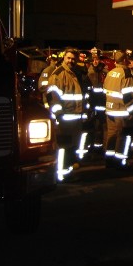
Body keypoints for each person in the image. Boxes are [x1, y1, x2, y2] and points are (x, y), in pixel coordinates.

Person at [47, 47, 86, 181]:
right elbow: (53, 97)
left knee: (70, 147)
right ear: (64, 58)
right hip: (64, 119)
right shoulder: (58, 75)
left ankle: (68, 172)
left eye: (73, 59)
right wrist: (59, 116)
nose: (71, 61)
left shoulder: (74, 73)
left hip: (75, 118)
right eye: (68, 58)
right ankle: (62, 175)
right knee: (63, 148)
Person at [103, 50, 133, 168]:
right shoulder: (126, 74)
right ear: (124, 60)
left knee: (111, 135)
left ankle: (109, 160)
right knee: (124, 137)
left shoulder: (110, 73)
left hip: (110, 110)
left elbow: (105, 91)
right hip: (122, 112)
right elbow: (128, 96)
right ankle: (120, 162)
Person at [84, 47, 108, 159]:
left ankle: (100, 147)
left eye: (97, 58)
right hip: (91, 103)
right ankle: (89, 148)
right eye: (93, 58)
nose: (95, 61)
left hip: (102, 102)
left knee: (101, 126)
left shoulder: (105, 70)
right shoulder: (87, 70)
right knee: (90, 126)